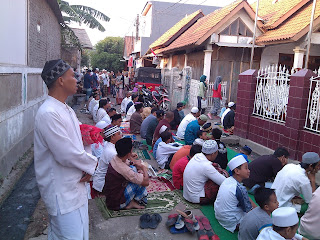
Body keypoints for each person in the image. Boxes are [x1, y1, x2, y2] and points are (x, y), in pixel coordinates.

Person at [34, 59, 97, 239]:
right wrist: (93, 164)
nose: (77, 79)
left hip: (76, 186)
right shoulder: (48, 113)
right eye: (72, 76)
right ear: (60, 80)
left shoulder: (65, 109)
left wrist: (88, 165)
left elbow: (82, 137)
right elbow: (65, 154)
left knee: (79, 233)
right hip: (62, 193)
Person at [103, 138, 149, 210]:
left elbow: (128, 163)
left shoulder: (115, 157)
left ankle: (130, 201)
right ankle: (138, 202)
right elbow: (146, 182)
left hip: (111, 198)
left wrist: (134, 162)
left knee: (134, 170)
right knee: (140, 183)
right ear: (128, 153)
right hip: (116, 203)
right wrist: (143, 168)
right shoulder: (124, 169)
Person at [214, 155, 253, 233]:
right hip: (231, 222)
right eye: (246, 168)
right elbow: (248, 209)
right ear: (237, 171)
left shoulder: (227, 180)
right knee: (256, 219)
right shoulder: (239, 188)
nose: (248, 171)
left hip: (219, 216)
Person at [183, 140, 227, 204]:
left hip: (187, 195)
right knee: (222, 178)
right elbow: (224, 182)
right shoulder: (206, 166)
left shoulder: (197, 156)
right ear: (213, 153)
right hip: (196, 198)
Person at [92, 125, 122, 193]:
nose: (121, 136)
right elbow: (120, 168)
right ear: (112, 137)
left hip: (99, 180)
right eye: (119, 134)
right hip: (102, 184)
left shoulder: (109, 145)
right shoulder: (111, 152)